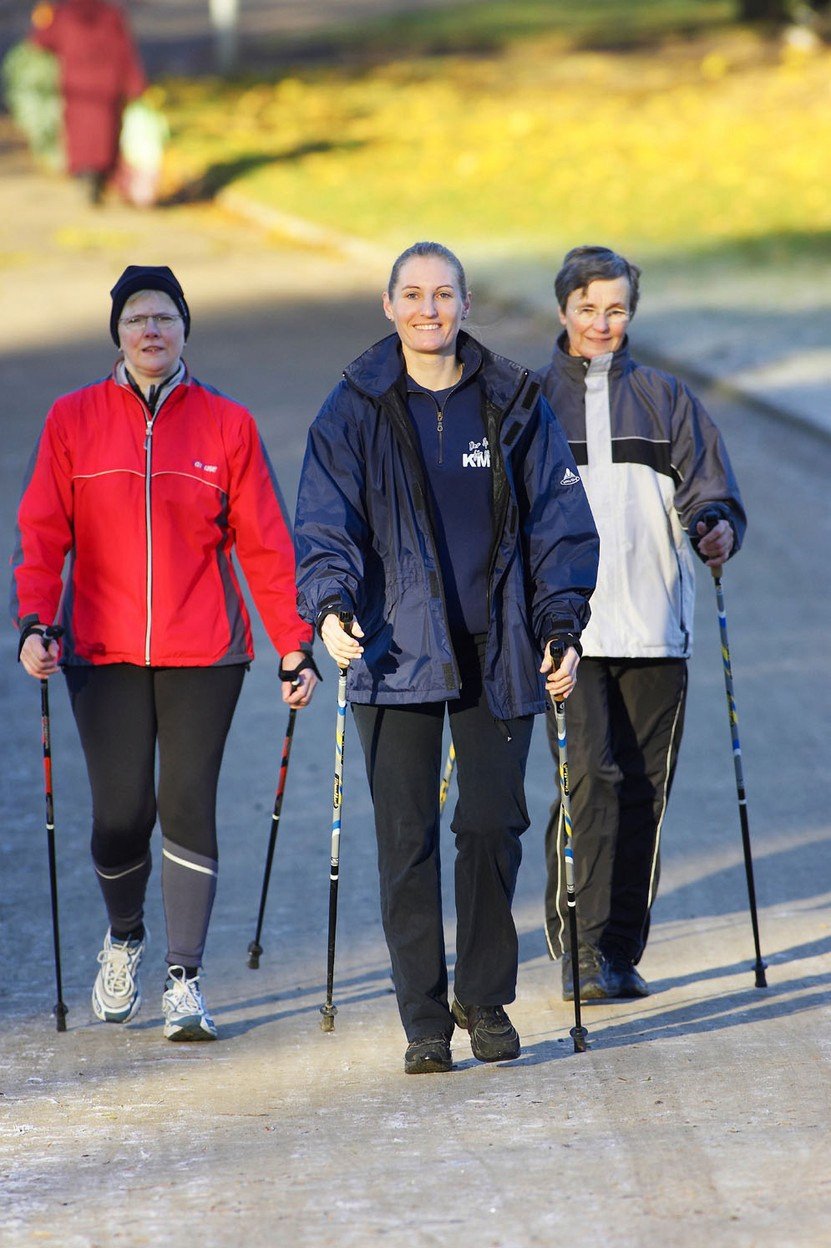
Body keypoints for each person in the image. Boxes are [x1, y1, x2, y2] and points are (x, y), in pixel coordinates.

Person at [294, 241, 599, 1074]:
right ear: (388, 306)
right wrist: (327, 609)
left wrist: (560, 622)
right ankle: (424, 1020)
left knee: (493, 822)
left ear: (465, 305)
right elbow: (325, 523)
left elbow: (558, 528)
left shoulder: (513, 400)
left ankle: (484, 997)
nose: (429, 309)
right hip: (392, 652)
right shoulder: (352, 408)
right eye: (413, 295)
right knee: (407, 838)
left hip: (497, 649)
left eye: (444, 295)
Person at [11, 264, 318, 1041]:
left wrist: (293, 645)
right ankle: (124, 938)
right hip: (100, 650)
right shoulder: (73, 419)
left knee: (186, 805)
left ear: (185, 330)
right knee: (120, 816)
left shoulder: (226, 424)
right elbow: (43, 534)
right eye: (138, 318)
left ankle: (184, 978)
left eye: (166, 318)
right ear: (117, 332)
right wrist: (34, 622)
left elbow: (264, 544)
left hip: (203, 651)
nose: (152, 331)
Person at [539, 245, 746, 1002]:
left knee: (642, 791)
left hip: (657, 625)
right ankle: (579, 948)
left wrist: (715, 528)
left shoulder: (666, 398)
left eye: (616, 309)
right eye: (588, 308)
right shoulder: (530, 403)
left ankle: (619, 951)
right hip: (567, 634)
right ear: (563, 310)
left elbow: (709, 493)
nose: (602, 323)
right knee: (589, 780)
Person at [29, 0, 146, 203]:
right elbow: (125, 51)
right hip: (107, 85)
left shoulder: (63, 14)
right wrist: (135, 84)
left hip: (77, 86)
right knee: (105, 133)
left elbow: (41, 42)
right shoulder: (111, 14)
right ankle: (99, 177)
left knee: (80, 133)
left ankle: (85, 174)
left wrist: (41, 19)